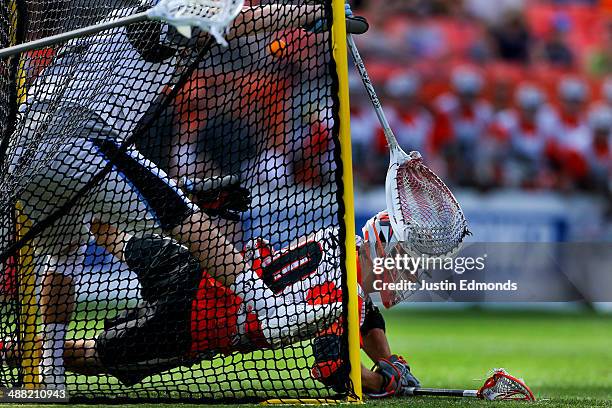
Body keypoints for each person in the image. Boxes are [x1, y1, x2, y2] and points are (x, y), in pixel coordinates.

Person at [4, 2, 343, 388]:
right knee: (186, 219)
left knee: (62, 258)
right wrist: (316, 9)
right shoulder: (159, 11)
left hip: (25, 156)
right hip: (80, 140)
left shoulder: (109, 26)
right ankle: (272, 309)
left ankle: (46, 378)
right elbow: (239, 22)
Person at [0, 211, 420, 398]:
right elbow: (332, 368)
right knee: (96, 355)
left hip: (205, 268)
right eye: (400, 263)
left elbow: (365, 319)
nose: (402, 275)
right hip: (197, 323)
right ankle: (11, 352)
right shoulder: (342, 296)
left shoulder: (335, 241)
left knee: (110, 229)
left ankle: (65, 196)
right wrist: (384, 383)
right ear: (380, 249)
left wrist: (386, 360)